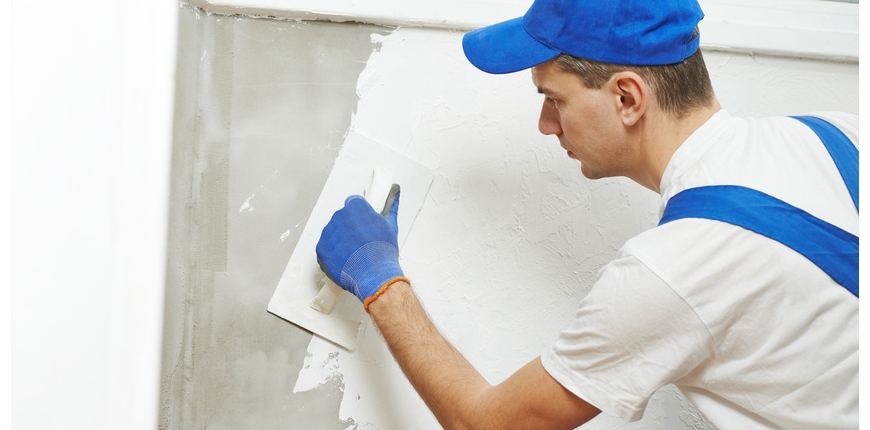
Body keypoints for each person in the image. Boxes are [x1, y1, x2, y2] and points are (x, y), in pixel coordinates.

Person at [315, 0, 859, 428]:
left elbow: (487, 425)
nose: (545, 124)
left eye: (555, 99)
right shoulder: (839, 134)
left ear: (628, 98)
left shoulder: (672, 272)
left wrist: (379, 279)